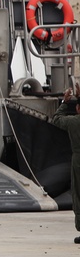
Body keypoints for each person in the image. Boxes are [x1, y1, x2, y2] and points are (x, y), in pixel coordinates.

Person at [50, 86, 80, 244]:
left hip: (78, 160)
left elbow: (56, 119)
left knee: (78, 194)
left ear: (77, 108)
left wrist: (64, 101)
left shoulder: (73, 121)